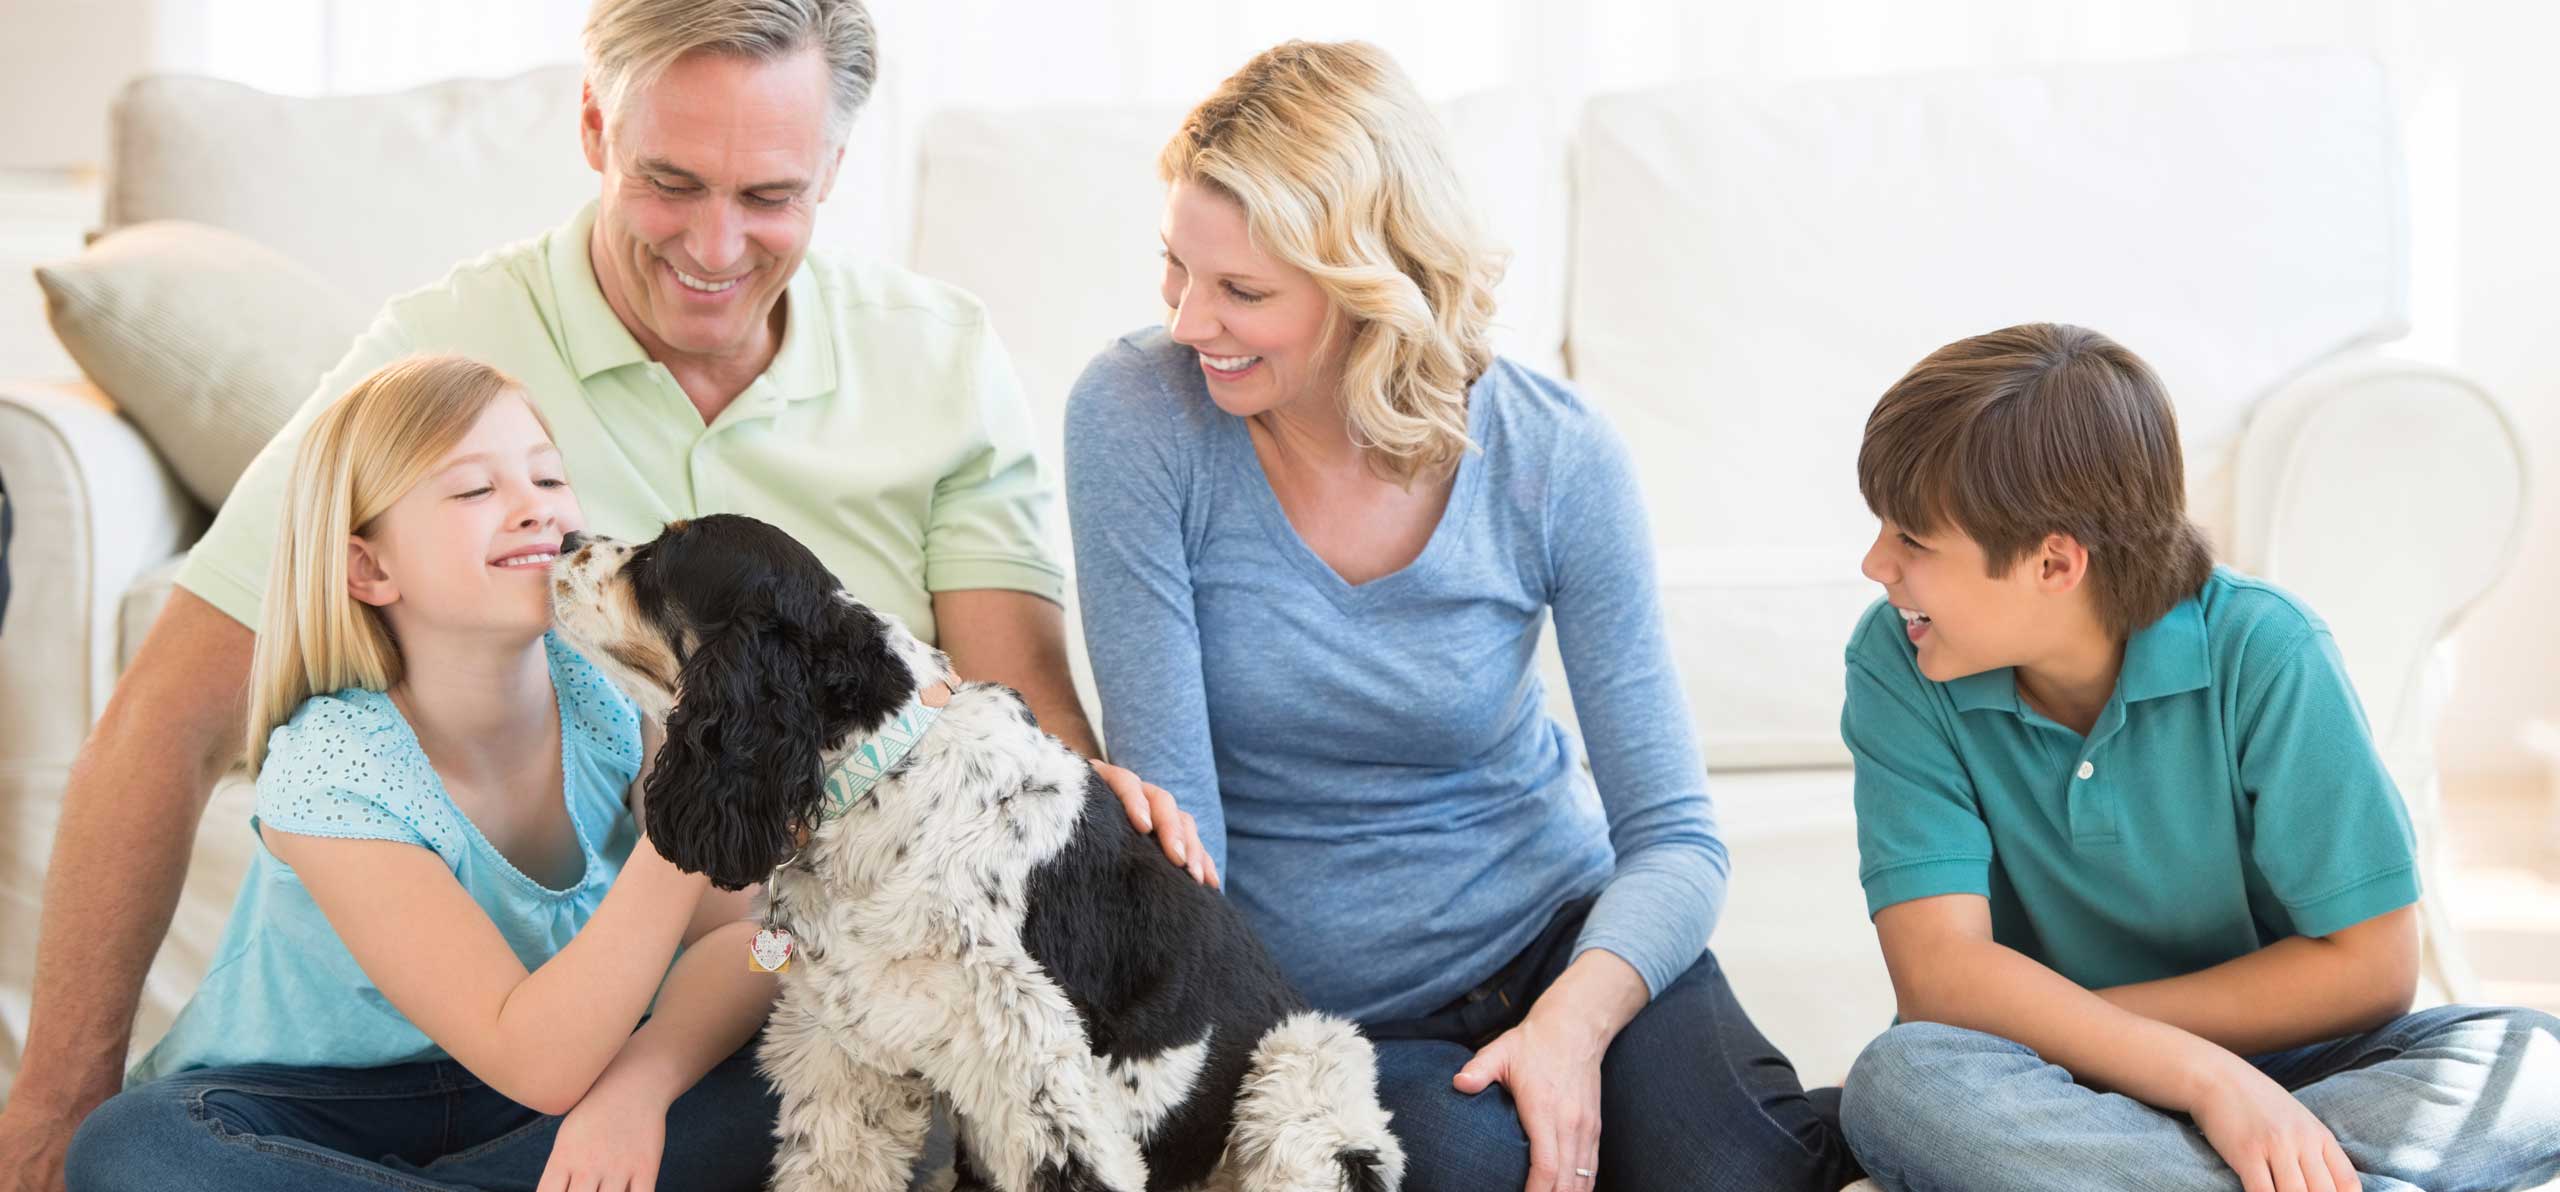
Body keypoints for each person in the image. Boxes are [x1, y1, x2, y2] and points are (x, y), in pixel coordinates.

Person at [0, 3, 1205, 1187]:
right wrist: (50, 1111)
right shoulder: (445, 360)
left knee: (816, 1069)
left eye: (769, 195)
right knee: (142, 1149)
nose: (716, 247)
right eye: (670, 182)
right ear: (593, 125)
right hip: (378, 1086)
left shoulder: (939, 359)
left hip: (668, 1037)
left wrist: (1087, 810)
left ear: (836, 166)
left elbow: (1012, 715)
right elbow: (170, 716)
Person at [1066, 39, 1862, 1192]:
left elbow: (1676, 836)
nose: (1192, 321)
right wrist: (1256, 1086)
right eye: (1176, 270)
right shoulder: (1137, 417)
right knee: (1481, 1171)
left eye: (1242, 290)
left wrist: (1572, 1027)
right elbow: (1185, 847)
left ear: (1367, 284)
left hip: (1562, 936)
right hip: (1339, 1011)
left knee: (1734, 1172)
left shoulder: (1553, 455)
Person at [1835, 322, 2560, 1192]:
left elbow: (2374, 968)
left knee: (2533, 1060)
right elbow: (1939, 978)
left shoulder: (2266, 648)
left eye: (1912, 539)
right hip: (2044, 1077)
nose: (1877, 563)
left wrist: (2200, 1070)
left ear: (2054, 562)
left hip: (2281, 1068)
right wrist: (2195, 1076)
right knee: (1902, 1081)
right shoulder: (1900, 660)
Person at [64, 355, 774, 1189]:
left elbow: (754, 940)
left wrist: (637, 1091)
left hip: (562, 1096)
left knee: (806, 1061)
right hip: (326, 1108)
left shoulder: (626, 687)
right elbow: (536, 1059)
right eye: (476, 491)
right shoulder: (333, 764)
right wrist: (689, 804)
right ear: (370, 569)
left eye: (547, 477)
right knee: (136, 1150)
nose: (535, 510)